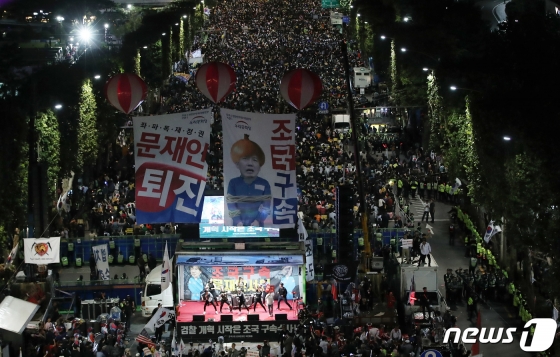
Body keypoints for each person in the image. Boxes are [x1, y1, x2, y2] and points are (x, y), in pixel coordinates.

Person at [226, 134, 271, 227]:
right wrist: (238, 221)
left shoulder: (264, 184)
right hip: (238, 228)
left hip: (258, 227)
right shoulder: (233, 183)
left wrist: (258, 220)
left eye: (255, 160)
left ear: (260, 166)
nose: (250, 163)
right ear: (237, 164)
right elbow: (231, 204)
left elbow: (266, 205)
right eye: (245, 159)